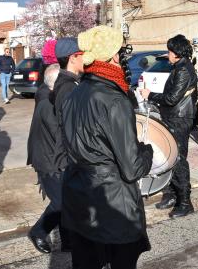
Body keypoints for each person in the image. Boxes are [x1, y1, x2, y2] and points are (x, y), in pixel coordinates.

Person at [61, 25, 154, 269]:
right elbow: (132, 168)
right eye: (120, 53)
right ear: (112, 56)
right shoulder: (114, 100)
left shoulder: (74, 93)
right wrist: (147, 152)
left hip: (79, 196)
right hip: (112, 203)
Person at [140, 34, 197, 218]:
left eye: (170, 51)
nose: (168, 54)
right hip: (174, 116)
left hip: (179, 119)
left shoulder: (183, 70)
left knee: (179, 159)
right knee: (171, 157)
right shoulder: (179, 67)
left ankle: (185, 202)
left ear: (177, 52)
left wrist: (150, 95)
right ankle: (172, 194)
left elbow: (172, 98)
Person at [27, 63, 69, 254]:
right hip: (48, 161)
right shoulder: (48, 102)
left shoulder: (47, 94)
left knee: (68, 200)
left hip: (51, 157)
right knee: (61, 202)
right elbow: (60, 134)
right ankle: (38, 232)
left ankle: (68, 241)